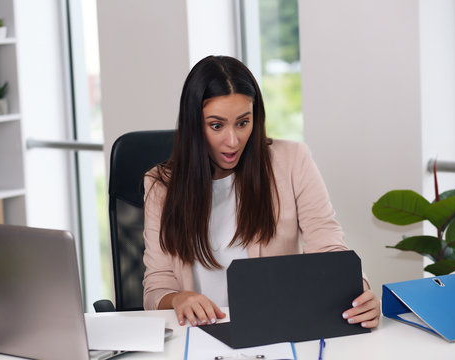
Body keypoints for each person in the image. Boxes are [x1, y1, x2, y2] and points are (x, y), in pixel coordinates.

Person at [142, 55, 380, 329]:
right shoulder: (161, 185)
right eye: (216, 125)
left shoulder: (292, 161)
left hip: (273, 331)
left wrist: (357, 290)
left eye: (243, 122)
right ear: (194, 125)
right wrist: (178, 299)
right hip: (197, 336)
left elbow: (328, 247)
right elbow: (156, 286)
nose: (233, 141)